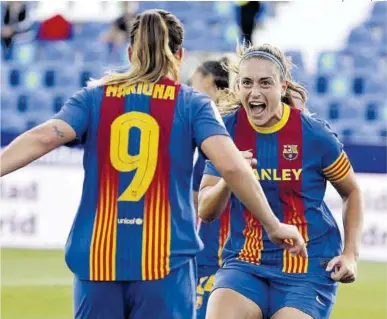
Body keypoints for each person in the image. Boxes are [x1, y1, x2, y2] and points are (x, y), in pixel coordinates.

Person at [0, 10, 307, 319]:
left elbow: (43, 137)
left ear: (131, 52)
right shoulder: (191, 104)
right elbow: (233, 167)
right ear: (179, 55)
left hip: (97, 258)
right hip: (164, 262)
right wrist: (273, 224)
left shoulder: (93, 98)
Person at [199, 43, 364, 319]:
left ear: (283, 86)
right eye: (247, 83)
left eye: (265, 83)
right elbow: (206, 211)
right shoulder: (225, 131)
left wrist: (350, 255)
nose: (255, 92)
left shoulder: (314, 135)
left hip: (307, 266)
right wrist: (231, 176)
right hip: (246, 261)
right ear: (237, 86)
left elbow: (352, 192)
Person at [188, 57, 233, 319]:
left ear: (207, 82)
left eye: (193, 83)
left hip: (214, 240)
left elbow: (197, 198)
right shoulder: (235, 124)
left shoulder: (213, 128)